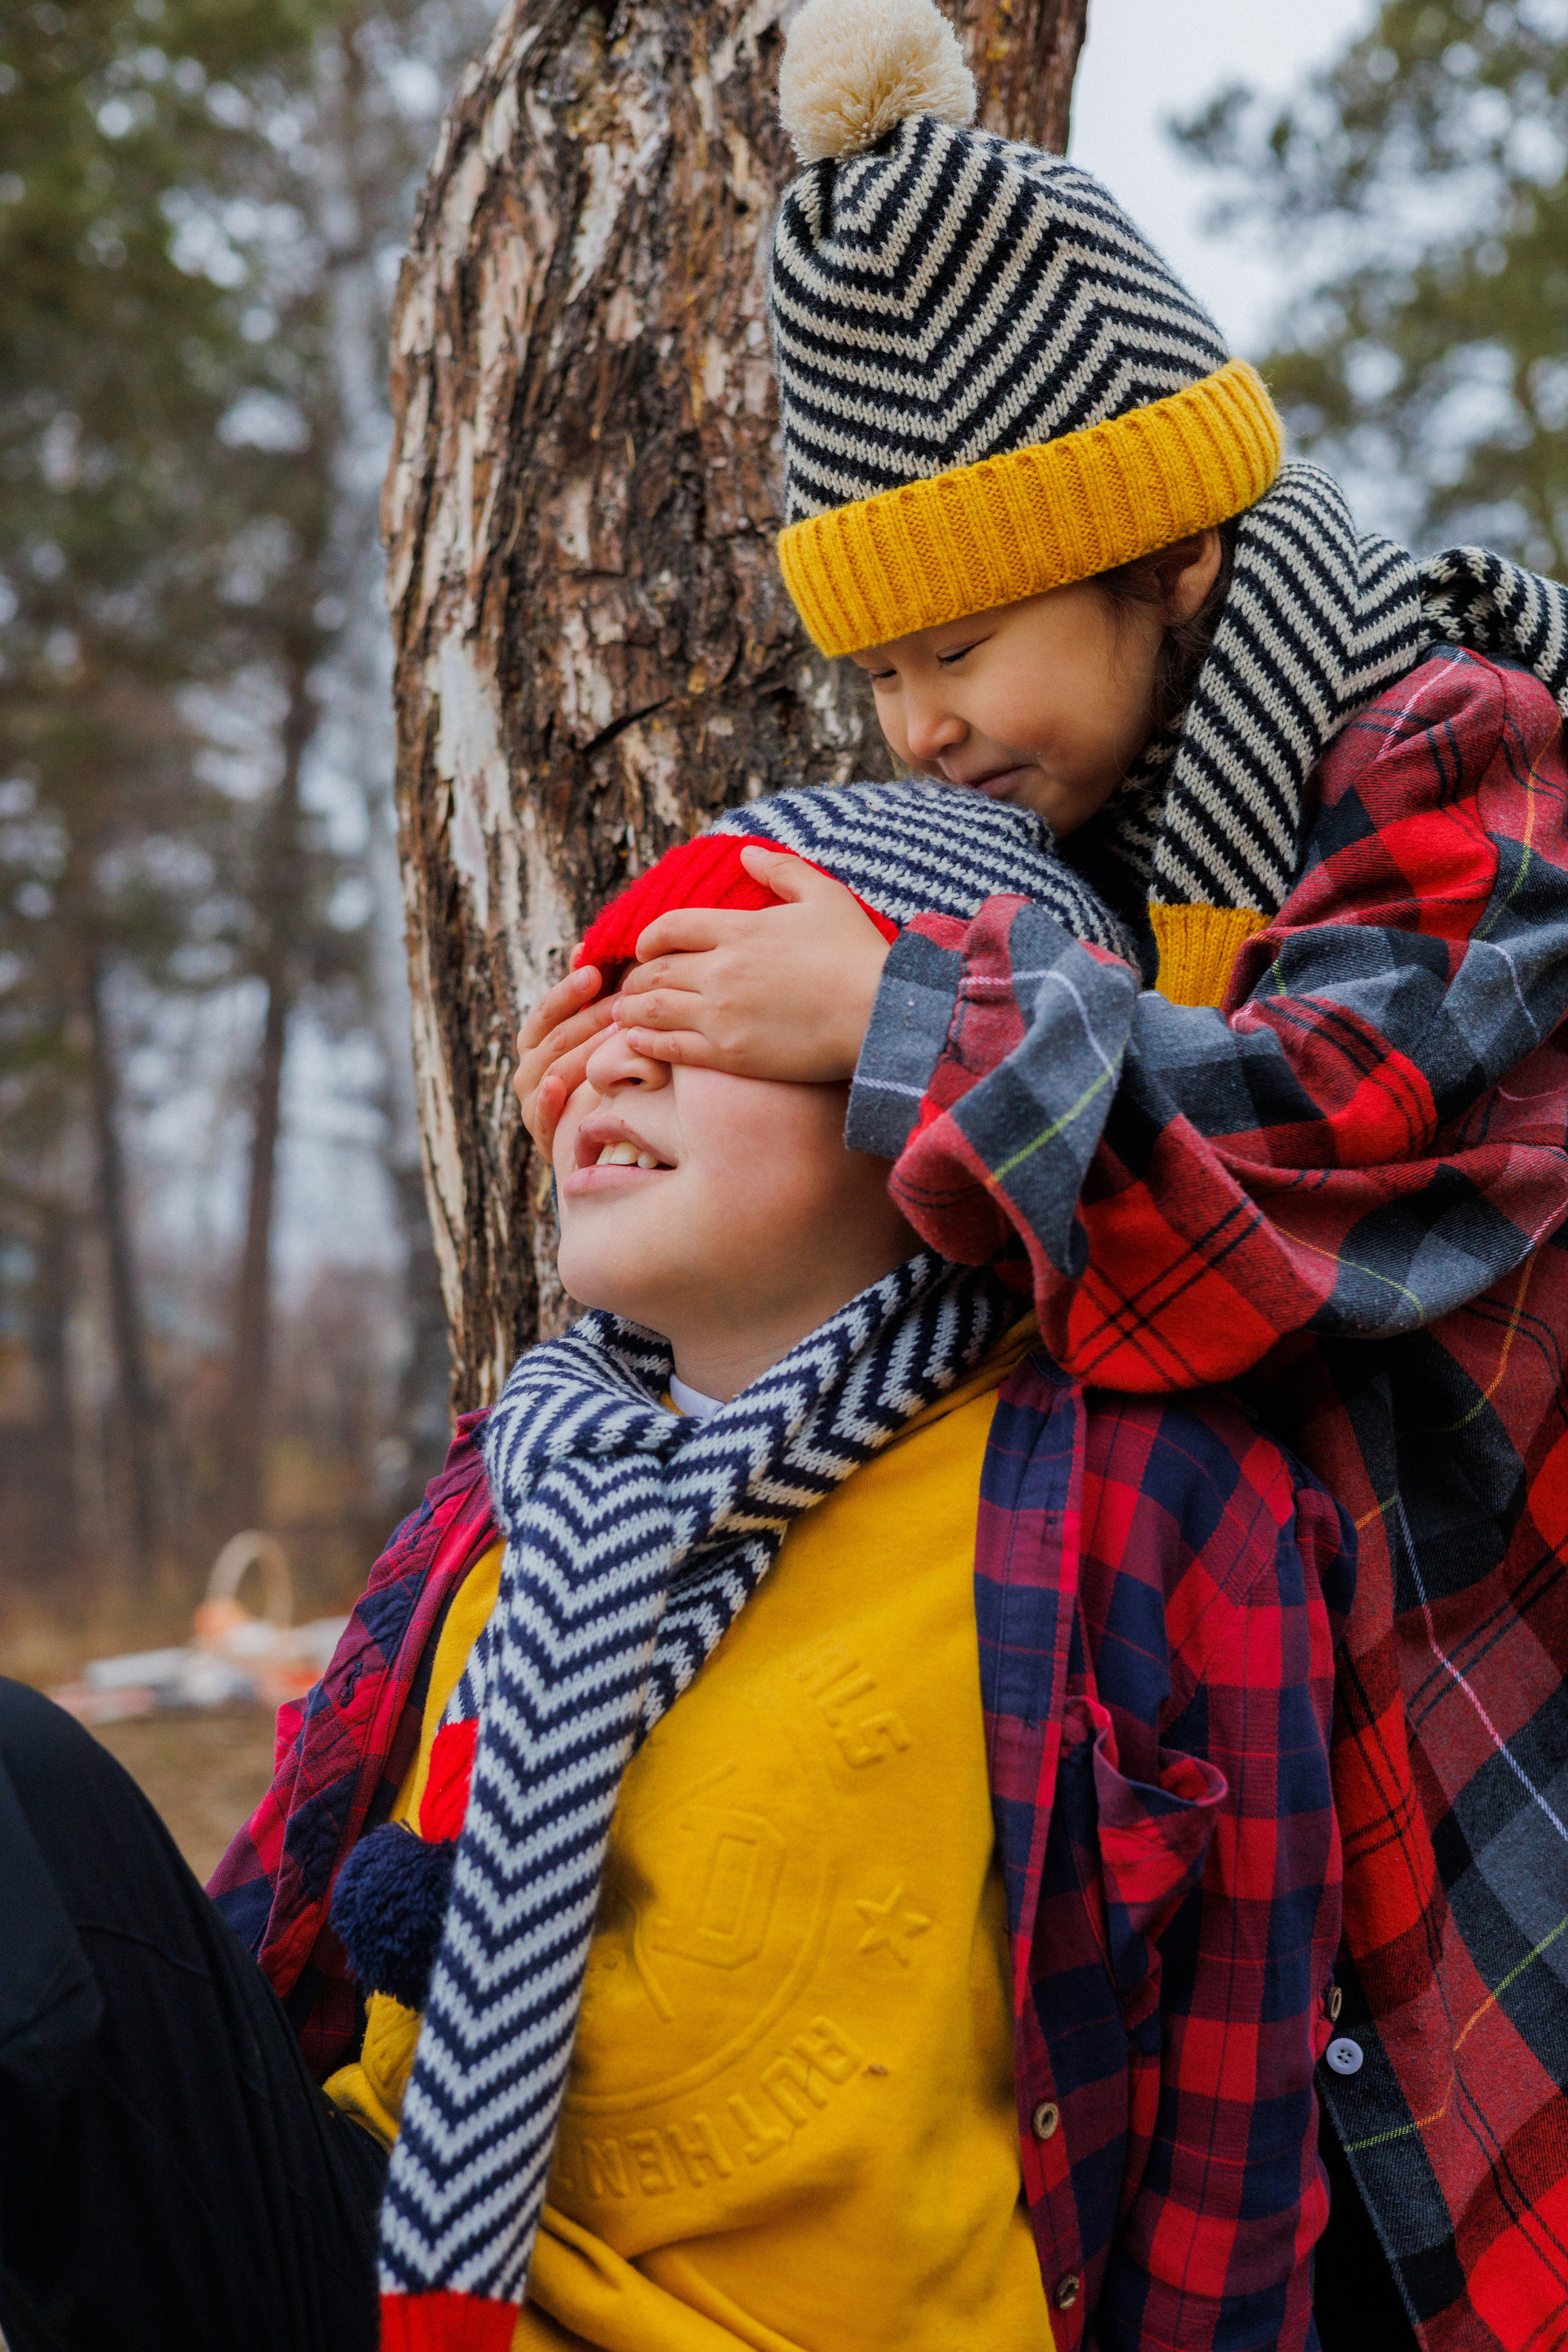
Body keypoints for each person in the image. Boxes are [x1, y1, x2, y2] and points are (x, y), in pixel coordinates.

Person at [514, 7, 1568, 2350]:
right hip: (1277, 1863)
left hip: (1496, 1798)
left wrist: (891, 1019)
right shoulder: (1085, 875)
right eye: (876, 674)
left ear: (1160, 550)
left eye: (961, 645)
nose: (918, 730)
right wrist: (640, 1059)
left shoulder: (1464, 752)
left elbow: (1318, 1164)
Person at [2, 787, 1351, 2352]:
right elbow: (236, 1959)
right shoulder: (514, 1483)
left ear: (931, 1087)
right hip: (375, 2267)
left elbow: (1236, 2116)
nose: (613, 1061)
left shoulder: (1135, 1497)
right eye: (594, 1012)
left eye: (710, 1008)